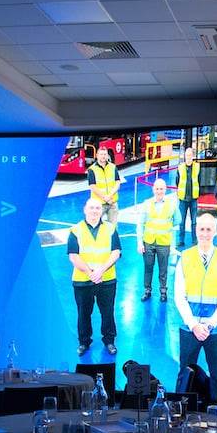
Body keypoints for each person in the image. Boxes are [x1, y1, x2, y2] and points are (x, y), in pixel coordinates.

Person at [174, 213, 217, 403]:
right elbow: (179, 296)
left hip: (215, 329)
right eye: (201, 229)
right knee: (185, 372)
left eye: (209, 229)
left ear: (215, 232)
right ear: (196, 230)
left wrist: (210, 324)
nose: (205, 234)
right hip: (189, 328)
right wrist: (194, 325)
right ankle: (180, 412)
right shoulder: (185, 258)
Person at [67, 198, 122, 356]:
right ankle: (84, 342)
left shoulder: (111, 229)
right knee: (83, 313)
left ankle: (109, 340)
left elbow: (116, 252)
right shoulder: (75, 230)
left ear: (101, 211)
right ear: (85, 210)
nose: (94, 211)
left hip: (107, 279)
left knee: (108, 312)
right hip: (83, 280)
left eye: (97, 208)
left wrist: (101, 271)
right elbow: (73, 256)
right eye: (91, 208)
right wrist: (90, 272)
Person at [136, 178, 179, 303]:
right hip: (148, 242)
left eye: (161, 189)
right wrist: (140, 242)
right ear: (153, 189)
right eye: (157, 189)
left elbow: (178, 220)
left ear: (165, 189)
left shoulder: (172, 204)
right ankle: (147, 290)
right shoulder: (147, 203)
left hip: (164, 243)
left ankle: (163, 291)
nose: (159, 191)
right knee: (148, 267)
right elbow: (140, 223)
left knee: (163, 269)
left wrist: (166, 227)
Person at [87, 145, 121, 224]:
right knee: (96, 225)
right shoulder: (92, 169)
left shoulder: (113, 167)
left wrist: (110, 196)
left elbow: (117, 182)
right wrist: (105, 198)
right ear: (97, 155)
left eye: (105, 154)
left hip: (112, 202)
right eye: (101, 154)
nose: (103, 156)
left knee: (113, 227)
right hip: (98, 204)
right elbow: (92, 186)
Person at [175, 145, 200, 248]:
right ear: (185, 156)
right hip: (183, 199)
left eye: (190, 155)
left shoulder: (197, 167)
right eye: (187, 155)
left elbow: (199, 180)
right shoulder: (180, 168)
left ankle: (194, 240)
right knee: (181, 221)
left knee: (194, 222)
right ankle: (181, 241)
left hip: (193, 199)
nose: (188, 157)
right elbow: (177, 181)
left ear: (193, 156)